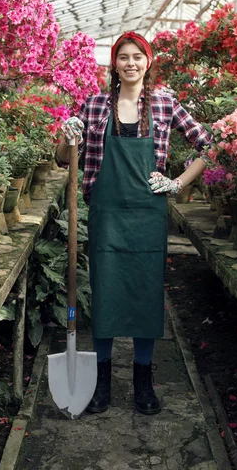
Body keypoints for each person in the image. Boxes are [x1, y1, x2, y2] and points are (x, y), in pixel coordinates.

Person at [55, 31, 213, 415]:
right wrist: (65, 136)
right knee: (106, 293)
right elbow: (63, 158)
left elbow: (208, 146)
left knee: (145, 295)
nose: (130, 63)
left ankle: (144, 381)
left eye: (137, 57)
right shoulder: (93, 106)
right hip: (106, 213)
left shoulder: (164, 103)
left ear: (148, 61)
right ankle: (102, 382)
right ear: (114, 63)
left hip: (148, 214)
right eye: (123, 57)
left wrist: (176, 183)